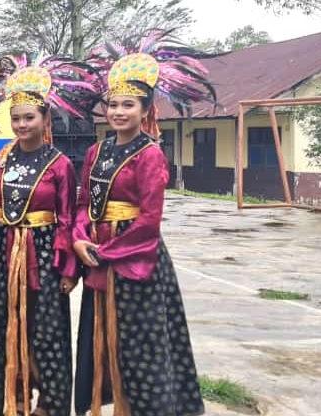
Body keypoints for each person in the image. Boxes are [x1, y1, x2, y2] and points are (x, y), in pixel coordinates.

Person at [72, 30, 213, 416]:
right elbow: (84, 204)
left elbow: (150, 221)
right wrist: (80, 238)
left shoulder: (150, 155)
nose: (118, 112)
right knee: (100, 339)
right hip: (96, 254)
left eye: (128, 105)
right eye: (113, 105)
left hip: (135, 259)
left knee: (138, 343)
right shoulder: (96, 151)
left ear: (146, 109)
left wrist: (107, 252)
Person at [0, 55, 101, 416]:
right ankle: (12, 399)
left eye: (29, 117)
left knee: (46, 330)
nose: (21, 124)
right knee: (4, 326)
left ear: (45, 119)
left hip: (44, 258)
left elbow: (67, 219)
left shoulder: (59, 165)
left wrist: (69, 269)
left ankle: (48, 404)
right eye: (16, 118)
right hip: (2, 254)